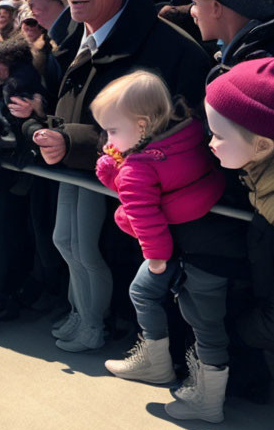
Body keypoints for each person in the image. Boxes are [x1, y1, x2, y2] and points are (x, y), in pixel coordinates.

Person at [33, 0, 211, 352]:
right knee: (66, 242)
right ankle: (81, 315)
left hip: (129, 193)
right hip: (82, 171)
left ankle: (102, 325)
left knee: (89, 247)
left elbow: (170, 138)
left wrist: (73, 141)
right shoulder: (77, 34)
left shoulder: (170, 50)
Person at [90, 74, 228, 400]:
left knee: (146, 293)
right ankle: (164, 365)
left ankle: (159, 366)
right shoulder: (188, 131)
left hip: (170, 247)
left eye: (112, 131)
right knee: (198, 315)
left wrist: (155, 257)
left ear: (141, 125)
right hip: (201, 227)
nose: (107, 140)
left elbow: (142, 211)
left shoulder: (138, 167)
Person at [205, 58, 274, 390]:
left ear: (261, 146)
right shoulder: (270, 176)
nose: (210, 144)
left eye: (217, 135)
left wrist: (236, 329)